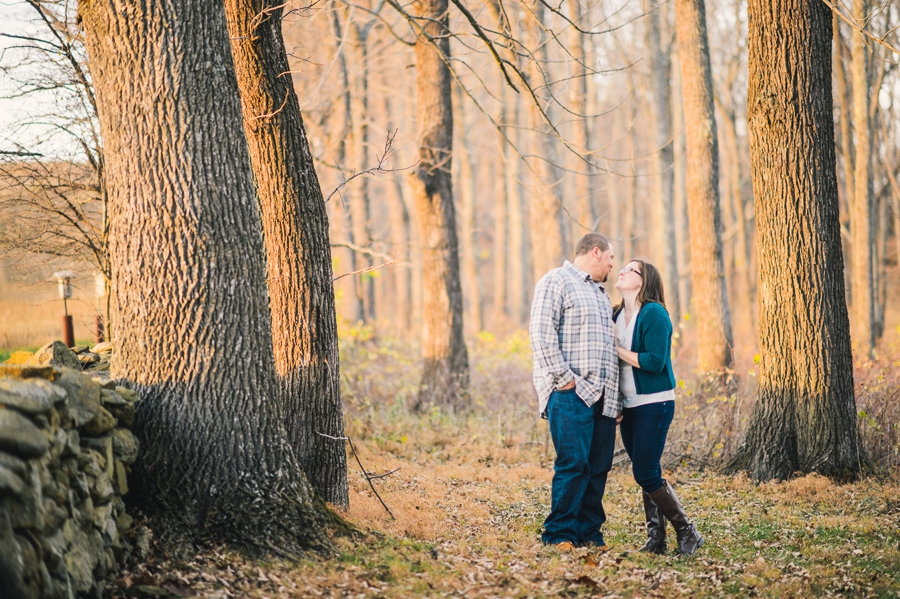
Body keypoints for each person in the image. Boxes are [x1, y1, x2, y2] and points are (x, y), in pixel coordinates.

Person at [529, 233, 620, 551]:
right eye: (610, 258)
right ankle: (559, 535)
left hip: (604, 398)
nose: (612, 265)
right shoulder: (557, 281)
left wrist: (616, 397)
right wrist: (564, 379)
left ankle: (589, 534)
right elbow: (541, 334)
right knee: (573, 463)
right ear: (596, 252)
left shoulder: (600, 293)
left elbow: (609, 349)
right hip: (570, 393)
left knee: (598, 468)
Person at [613, 259, 703, 556]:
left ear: (644, 280)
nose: (622, 271)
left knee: (645, 472)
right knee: (647, 472)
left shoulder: (654, 313)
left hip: (655, 404)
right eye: (622, 267)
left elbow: (654, 362)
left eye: (630, 270)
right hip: (629, 406)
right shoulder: (615, 314)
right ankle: (656, 540)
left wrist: (617, 350)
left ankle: (687, 531)